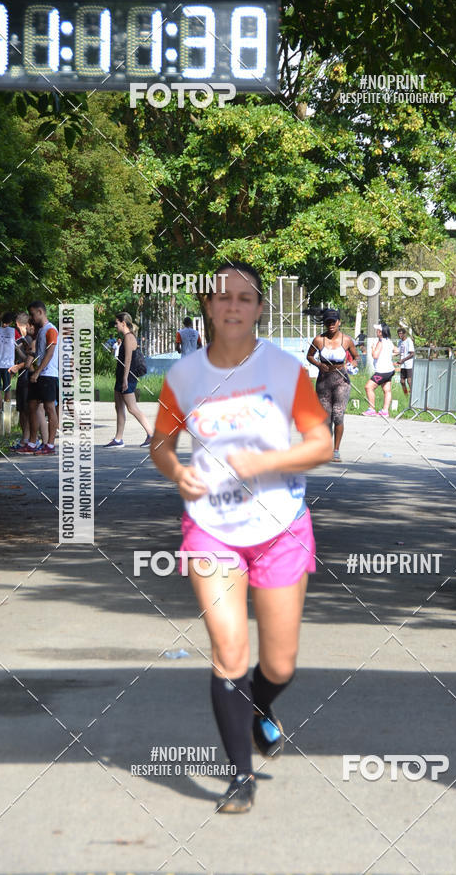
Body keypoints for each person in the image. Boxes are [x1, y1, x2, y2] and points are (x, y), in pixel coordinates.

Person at [150, 262, 332, 814]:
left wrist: (265, 462)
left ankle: (260, 705)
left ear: (258, 309)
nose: (232, 306)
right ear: (207, 305)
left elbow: (321, 444)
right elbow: (161, 443)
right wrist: (176, 471)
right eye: (222, 297)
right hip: (211, 528)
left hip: (280, 527)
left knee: (279, 665)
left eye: (245, 298)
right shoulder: (183, 377)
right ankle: (238, 778)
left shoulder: (283, 371)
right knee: (229, 650)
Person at [306, 308, 358, 462]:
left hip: (341, 379)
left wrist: (352, 364)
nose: (331, 325)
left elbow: (356, 356)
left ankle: (336, 450)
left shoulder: (346, 340)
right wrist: (317, 364)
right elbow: (309, 355)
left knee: (338, 414)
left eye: (333, 321)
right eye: (328, 322)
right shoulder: (318, 340)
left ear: (339, 322)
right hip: (323, 380)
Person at [104, 312, 152, 448]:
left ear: (123, 323)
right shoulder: (126, 337)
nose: (115, 325)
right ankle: (118, 439)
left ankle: (151, 434)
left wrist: (125, 379)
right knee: (119, 407)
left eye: (117, 323)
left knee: (132, 408)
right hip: (121, 376)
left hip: (128, 377)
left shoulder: (129, 338)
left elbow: (128, 360)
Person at [17, 301, 59, 455]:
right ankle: (32, 442)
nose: (32, 318)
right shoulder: (41, 331)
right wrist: (32, 356)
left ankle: (50, 445)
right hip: (39, 374)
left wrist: (37, 372)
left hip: (48, 375)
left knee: (49, 408)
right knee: (31, 406)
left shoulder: (51, 330)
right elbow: (41, 352)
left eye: (33, 314)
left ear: (40, 312)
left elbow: (50, 353)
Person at [363, 324, 396, 416]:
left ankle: (371, 409)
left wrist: (373, 349)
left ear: (381, 332)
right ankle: (385, 411)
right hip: (390, 370)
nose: (376, 332)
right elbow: (396, 350)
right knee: (387, 390)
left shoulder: (380, 342)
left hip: (382, 371)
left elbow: (375, 355)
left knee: (369, 387)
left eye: (377, 330)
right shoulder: (389, 341)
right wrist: (389, 355)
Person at [0, 311, 17, 411]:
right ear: (11, 321)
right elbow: (20, 345)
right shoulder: (14, 332)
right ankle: (7, 410)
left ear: (1, 320)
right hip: (9, 364)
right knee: (7, 389)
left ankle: (0, 409)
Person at [396, 327, 415, 395]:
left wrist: (403, 360)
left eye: (401, 333)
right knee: (402, 381)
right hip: (403, 365)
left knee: (409, 381)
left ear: (404, 334)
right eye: (398, 333)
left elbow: (412, 353)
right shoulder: (400, 342)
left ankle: (412, 396)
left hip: (409, 364)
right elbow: (398, 351)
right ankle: (405, 395)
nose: (399, 335)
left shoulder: (409, 341)